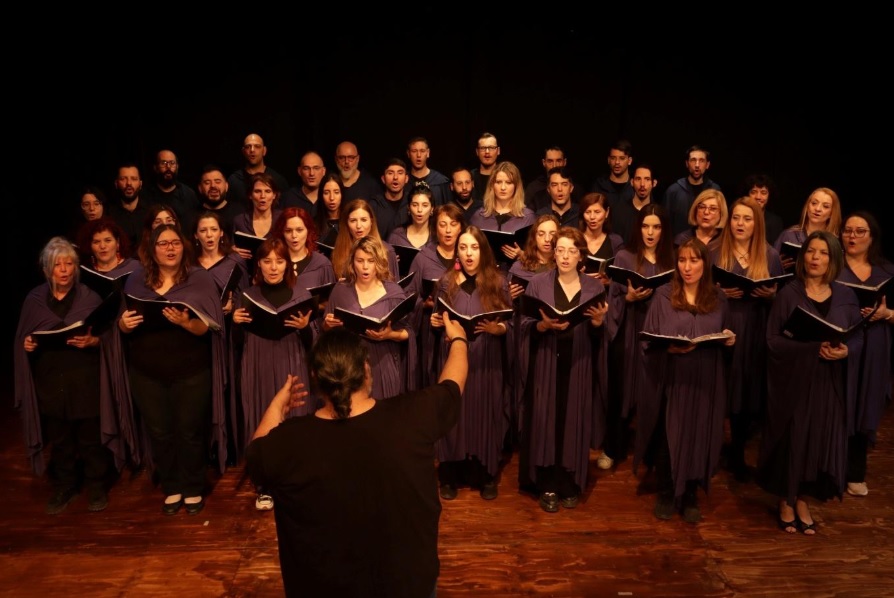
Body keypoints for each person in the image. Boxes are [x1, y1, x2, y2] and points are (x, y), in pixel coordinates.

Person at [245, 310, 468, 598]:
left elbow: (256, 455)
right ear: (366, 369)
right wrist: (459, 340)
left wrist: (277, 407)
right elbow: (452, 385)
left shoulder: (288, 442)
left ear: (315, 376)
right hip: (408, 585)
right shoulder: (414, 416)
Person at [758, 231, 863, 535]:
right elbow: (772, 340)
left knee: (817, 438)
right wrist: (811, 349)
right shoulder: (789, 293)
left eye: (823, 253)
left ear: (834, 259)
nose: (815, 258)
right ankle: (786, 499)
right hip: (795, 382)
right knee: (794, 437)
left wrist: (846, 351)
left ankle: (802, 499)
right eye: (811, 251)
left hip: (828, 381)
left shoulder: (845, 296)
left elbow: (858, 336)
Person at [117, 224, 226, 516]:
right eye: (163, 244)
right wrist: (123, 325)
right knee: (160, 432)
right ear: (152, 249)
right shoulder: (137, 279)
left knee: (189, 431)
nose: (170, 248)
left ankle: (192, 487)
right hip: (147, 371)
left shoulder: (198, 278)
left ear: (184, 246)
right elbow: (122, 324)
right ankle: (172, 485)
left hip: (190, 370)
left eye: (175, 243)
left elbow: (209, 327)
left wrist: (185, 323)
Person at [14, 237, 115, 514]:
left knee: (90, 438)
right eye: (57, 265)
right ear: (47, 269)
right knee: (60, 439)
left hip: (84, 377)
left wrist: (93, 342)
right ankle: (65, 485)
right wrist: (27, 344)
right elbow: (23, 337)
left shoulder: (88, 297)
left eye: (69, 264)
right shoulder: (35, 300)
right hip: (50, 379)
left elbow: (107, 336)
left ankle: (96, 485)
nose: (64, 270)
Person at [637, 238, 735, 522]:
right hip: (674, 377)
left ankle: (691, 493)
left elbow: (725, 331)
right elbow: (648, 340)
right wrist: (667, 348)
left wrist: (729, 341)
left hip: (706, 378)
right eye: (682, 261)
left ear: (705, 263)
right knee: (670, 435)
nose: (687, 267)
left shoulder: (718, 298)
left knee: (699, 435)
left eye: (694, 260)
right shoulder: (664, 295)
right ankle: (667, 491)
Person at [517, 227, 609, 512]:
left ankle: (569, 482)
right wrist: (542, 326)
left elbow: (601, 337)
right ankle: (545, 482)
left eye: (572, 251)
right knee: (545, 422)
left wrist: (597, 324)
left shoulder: (594, 288)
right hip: (545, 362)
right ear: (553, 253)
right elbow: (524, 326)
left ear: (581, 256)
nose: (565, 256)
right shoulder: (538, 284)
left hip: (578, 363)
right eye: (560, 250)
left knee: (573, 421)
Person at [232, 238, 316, 511]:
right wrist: (235, 324)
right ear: (258, 264)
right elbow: (235, 344)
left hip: (291, 360)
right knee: (262, 414)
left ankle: (296, 480)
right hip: (258, 361)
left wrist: (304, 327)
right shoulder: (247, 295)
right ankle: (265, 486)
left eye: (279, 261)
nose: (273, 267)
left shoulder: (300, 294)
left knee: (295, 416)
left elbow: (312, 343)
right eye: (267, 261)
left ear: (287, 264)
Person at [430, 226, 512, 501]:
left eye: (474, 248)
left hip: (486, 359)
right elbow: (437, 318)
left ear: (483, 251)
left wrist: (497, 329)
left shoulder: (498, 282)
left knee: (484, 412)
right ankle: (450, 474)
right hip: (454, 356)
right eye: (463, 248)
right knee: (454, 413)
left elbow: (510, 324)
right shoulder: (446, 282)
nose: (468, 254)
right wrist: (435, 323)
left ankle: (485, 473)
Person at [711, 197, 785, 482]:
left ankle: (738, 453)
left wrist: (772, 295)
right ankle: (711, 450)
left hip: (755, 326)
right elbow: (697, 291)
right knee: (720, 387)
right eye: (736, 218)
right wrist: (717, 293)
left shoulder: (769, 255)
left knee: (746, 390)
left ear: (757, 223)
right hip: (723, 325)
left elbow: (783, 298)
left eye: (747, 218)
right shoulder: (714, 251)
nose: (740, 223)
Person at [602, 204, 675, 471]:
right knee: (621, 390)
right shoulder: (625, 257)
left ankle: (651, 451)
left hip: (658, 333)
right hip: (629, 328)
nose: (650, 233)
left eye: (656, 227)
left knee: (654, 390)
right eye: (645, 226)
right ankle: (613, 447)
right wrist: (629, 298)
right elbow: (613, 297)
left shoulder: (672, 260)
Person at [837, 211, 894, 497]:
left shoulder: (887, 270)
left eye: (860, 232)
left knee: (865, 402)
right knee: (839, 401)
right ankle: (831, 468)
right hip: (843, 339)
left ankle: (855, 471)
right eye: (848, 230)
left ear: (871, 237)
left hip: (874, 343)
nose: (853, 236)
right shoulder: (832, 265)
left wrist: (887, 313)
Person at [324, 236, 416, 399]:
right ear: (352, 262)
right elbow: (325, 331)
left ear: (378, 262)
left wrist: (389, 335)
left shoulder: (394, 293)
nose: (365, 267)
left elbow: (408, 332)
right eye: (360, 261)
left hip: (383, 366)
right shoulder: (341, 290)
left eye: (370, 261)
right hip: (348, 368)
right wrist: (328, 325)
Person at [193, 210, 250, 465]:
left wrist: (232, 306)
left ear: (222, 233)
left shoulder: (234, 262)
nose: (209, 235)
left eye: (213, 230)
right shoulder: (190, 266)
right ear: (195, 235)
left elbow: (246, 297)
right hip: (199, 338)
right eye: (203, 230)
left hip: (228, 337)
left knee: (229, 391)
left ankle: (229, 449)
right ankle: (207, 450)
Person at [406, 203, 465, 388]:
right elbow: (408, 296)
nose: (448, 230)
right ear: (435, 227)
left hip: (461, 328)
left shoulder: (468, 255)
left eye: (453, 224)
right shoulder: (423, 258)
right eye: (442, 224)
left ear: (461, 228)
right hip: (430, 332)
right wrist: (423, 304)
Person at [469, 161, 536, 268]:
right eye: (498, 182)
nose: (503, 187)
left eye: (508, 183)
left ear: (516, 186)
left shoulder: (528, 217)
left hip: (515, 274)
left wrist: (521, 254)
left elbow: (538, 258)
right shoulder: (479, 216)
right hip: (484, 274)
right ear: (492, 185)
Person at [774, 187, 843, 272]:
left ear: (832, 213)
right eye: (814, 203)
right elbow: (770, 267)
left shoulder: (836, 242)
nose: (817, 209)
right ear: (807, 206)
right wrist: (778, 265)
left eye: (825, 206)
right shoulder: (789, 235)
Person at [329, 198, 399, 280]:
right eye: (353, 221)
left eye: (363, 220)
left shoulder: (387, 252)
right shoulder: (338, 252)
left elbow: (394, 286)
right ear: (347, 223)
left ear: (371, 221)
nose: (358, 226)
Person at [663, 145, 722, 237]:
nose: (697, 165)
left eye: (701, 161)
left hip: (708, 243)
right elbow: (665, 224)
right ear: (687, 163)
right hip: (679, 243)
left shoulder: (715, 190)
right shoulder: (673, 191)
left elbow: (721, 221)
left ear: (707, 165)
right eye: (693, 160)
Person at [227, 133, 291, 212]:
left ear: (264, 151)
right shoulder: (234, 180)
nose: (252, 150)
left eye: (257, 146)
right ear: (243, 151)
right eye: (248, 147)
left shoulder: (277, 180)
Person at [233, 172, 284, 262]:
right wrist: (232, 251)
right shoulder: (239, 221)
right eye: (257, 191)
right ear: (250, 195)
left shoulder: (283, 218)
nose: (262, 196)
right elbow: (229, 247)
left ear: (274, 195)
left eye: (267, 191)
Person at [578, 192, 624, 288]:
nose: (592, 217)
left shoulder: (615, 241)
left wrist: (609, 282)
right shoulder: (575, 239)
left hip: (605, 294)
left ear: (606, 212)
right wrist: (578, 278)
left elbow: (621, 278)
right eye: (588, 212)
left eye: (597, 212)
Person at [141, 149, 199, 227]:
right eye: (163, 163)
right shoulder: (145, 195)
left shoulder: (188, 194)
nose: (168, 167)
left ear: (177, 166)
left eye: (172, 163)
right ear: (155, 167)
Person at [187, 164, 243, 243]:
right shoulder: (191, 217)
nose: (213, 186)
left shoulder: (240, 214)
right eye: (207, 183)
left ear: (226, 186)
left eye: (218, 182)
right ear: (200, 188)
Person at [106, 162, 155, 249]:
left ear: (140, 184)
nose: (129, 183)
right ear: (116, 183)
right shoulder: (108, 214)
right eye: (123, 179)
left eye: (134, 179)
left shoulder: (152, 212)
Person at [613, 163, 659, 245]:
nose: (642, 184)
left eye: (647, 179)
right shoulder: (619, 211)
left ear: (654, 183)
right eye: (638, 179)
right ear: (632, 182)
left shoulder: (659, 213)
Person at [370, 157, 412, 240]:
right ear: (383, 179)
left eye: (400, 173)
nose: (395, 177)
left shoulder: (412, 203)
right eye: (390, 173)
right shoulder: (374, 205)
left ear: (406, 178)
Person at [590, 139, 635, 212]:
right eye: (613, 158)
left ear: (629, 161)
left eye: (622, 158)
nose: (617, 162)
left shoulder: (635, 185)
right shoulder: (599, 185)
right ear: (608, 160)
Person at [388, 182, 435, 250]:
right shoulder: (397, 236)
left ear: (432, 209)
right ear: (409, 208)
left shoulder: (437, 237)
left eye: (425, 205)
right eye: (415, 205)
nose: (419, 210)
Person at [741, 173, 784, 247]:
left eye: (763, 193)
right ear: (747, 194)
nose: (758, 197)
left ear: (769, 196)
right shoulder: (739, 218)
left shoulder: (775, 222)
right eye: (753, 192)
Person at [407, 136, 451, 205]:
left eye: (422, 151)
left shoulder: (441, 182)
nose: (418, 155)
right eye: (414, 151)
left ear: (428, 153)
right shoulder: (403, 181)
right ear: (408, 153)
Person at [281, 150, 326, 215]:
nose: (311, 173)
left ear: (324, 171)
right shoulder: (288, 198)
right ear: (299, 171)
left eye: (316, 168)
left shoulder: (330, 197)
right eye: (306, 168)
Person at [524, 145, 568, 212]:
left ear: (564, 162)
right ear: (544, 163)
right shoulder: (533, 188)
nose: (554, 165)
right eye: (550, 161)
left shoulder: (575, 189)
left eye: (558, 161)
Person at [314, 172, 344, 249]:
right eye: (326, 193)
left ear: (342, 194)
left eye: (336, 192)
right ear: (321, 195)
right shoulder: (314, 224)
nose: (332, 198)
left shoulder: (349, 221)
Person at [471, 132, 501, 202]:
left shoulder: (506, 176)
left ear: (498, 151)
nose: (487, 152)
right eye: (482, 148)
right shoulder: (469, 177)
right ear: (477, 152)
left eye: (491, 148)